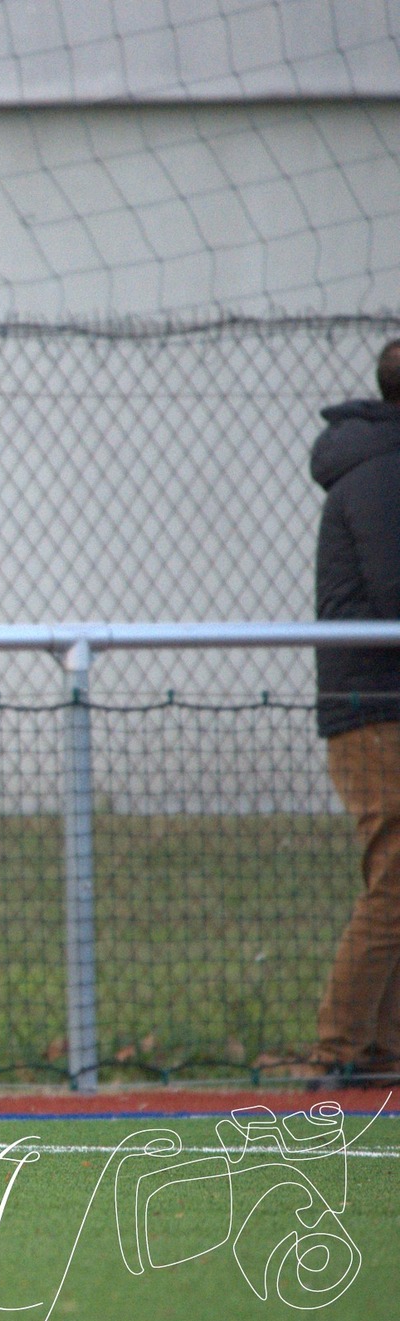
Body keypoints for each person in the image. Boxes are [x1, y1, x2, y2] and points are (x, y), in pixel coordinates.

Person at [309, 337, 400, 1089]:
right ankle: (340, 1048)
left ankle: (375, 1049)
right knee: (395, 879)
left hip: (376, 706)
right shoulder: (380, 475)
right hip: (377, 711)